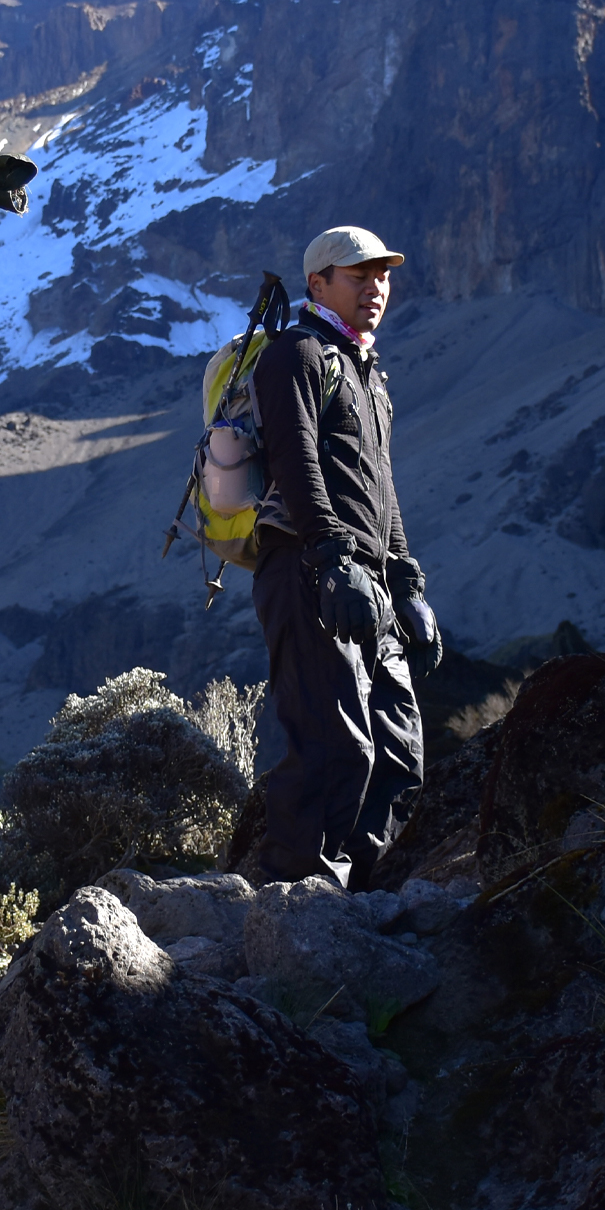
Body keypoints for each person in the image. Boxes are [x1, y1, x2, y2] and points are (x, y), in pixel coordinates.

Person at [248, 225, 440, 889]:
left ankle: (355, 900)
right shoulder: (295, 356)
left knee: (398, 750)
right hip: (309, 573)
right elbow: (294, 462)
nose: (375, 288)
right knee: (335, 748)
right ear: (318, 283)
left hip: (368, 583)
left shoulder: (365, 372)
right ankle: (291, 911)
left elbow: (380, 486)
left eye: (381, 276)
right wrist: (332, 559)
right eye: (358, 276)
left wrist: (407, 577)